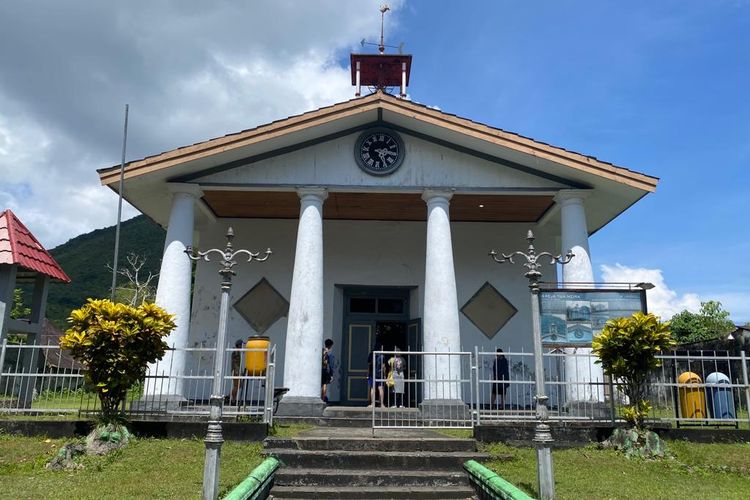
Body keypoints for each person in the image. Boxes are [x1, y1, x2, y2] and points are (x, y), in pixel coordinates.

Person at [230, 339, 245, 405]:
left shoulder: (238, 352)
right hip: (236, 371)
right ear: (239, 345)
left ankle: (232, 398)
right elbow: (235, 363)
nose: (242, 346)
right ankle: (232, 399)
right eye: (241, 345)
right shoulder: (236, 352)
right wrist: (238, 371)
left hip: (237, 370)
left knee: (239, 385)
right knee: (237, 386)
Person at [321, 338, 335, 403]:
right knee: (324, 384)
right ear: (330, 346)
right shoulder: (330, 354)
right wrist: (331, 375)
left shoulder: (321, 351)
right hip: (325, 371)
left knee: (320, 385)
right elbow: (331, 366)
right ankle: (323, 399)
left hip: (320, 371)